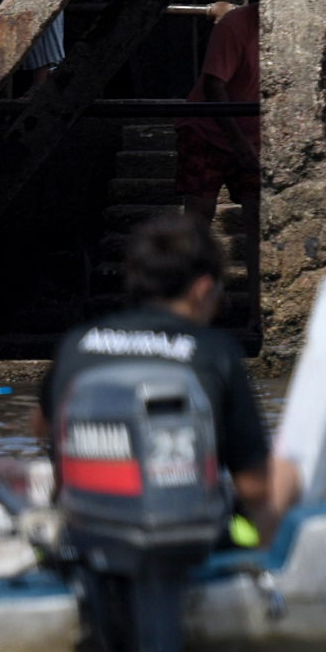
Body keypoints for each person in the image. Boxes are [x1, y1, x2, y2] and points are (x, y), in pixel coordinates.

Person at [39, 212, 294, 538]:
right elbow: (254, 486)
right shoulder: (214, 352)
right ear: (203, 290)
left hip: (89, 539)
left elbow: (44, 427)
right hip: (183, 542)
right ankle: (259, 574)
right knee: (286, 475)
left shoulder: (77, 345)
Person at [176, 1, 259, 238]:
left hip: (255, 135)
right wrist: (239, 141)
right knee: (199, 214)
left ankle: (258, 275)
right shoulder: (235, 24)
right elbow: (214, 85)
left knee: (259, 218)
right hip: (206, 130)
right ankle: (192, 273)